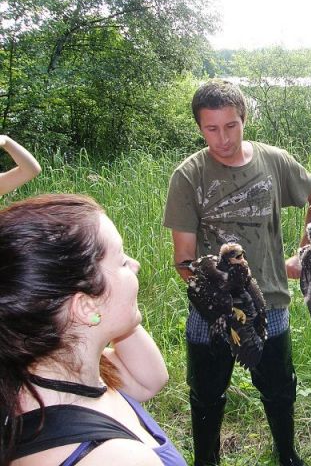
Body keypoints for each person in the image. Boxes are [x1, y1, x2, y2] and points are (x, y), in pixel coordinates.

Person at [163, 79, 311, 466]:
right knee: (206, 391)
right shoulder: (188, 176)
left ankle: (287, 456)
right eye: (212, 129)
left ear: (244, 119)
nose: (223, 138)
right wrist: (217, 296)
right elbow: (184, 258)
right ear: (200, 128)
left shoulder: (275, 160)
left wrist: (301, 254)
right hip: (213, 309)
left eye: (231, 126)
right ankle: (207, 461)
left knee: (279, 388)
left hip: (268, 299)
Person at [0, 194, 186, 466]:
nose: (135, 265)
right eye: (123, 261)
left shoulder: (36, 366)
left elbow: (150, 380)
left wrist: (114, 313)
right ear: (85, 307)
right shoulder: (117, 460)